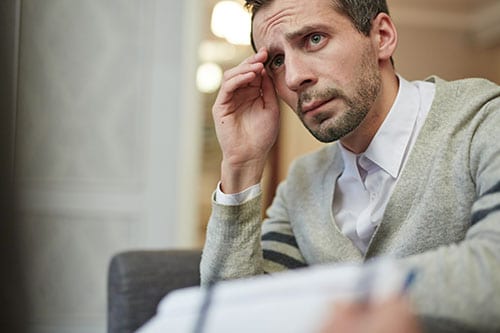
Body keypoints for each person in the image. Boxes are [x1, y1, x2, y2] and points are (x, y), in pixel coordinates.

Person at [200, 0, 500, 331]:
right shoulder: (300, 184)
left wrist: (339, 298)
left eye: (314, 39)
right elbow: (234, 318)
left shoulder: (485, 124)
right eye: (277, 61)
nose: (296, 77)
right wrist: (241, 165)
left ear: (382, 37)